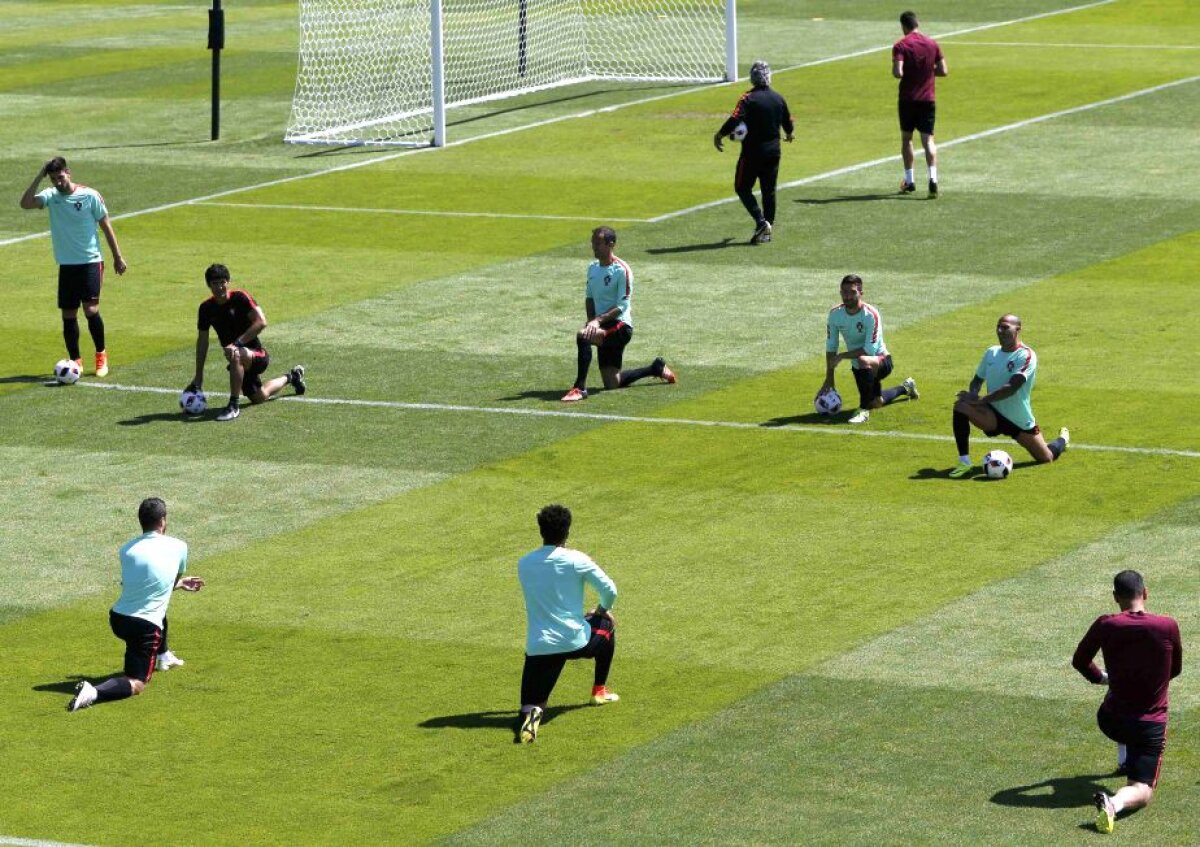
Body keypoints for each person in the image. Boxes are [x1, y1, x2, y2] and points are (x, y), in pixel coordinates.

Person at [67, 498, 205, 712]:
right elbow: (163, 589)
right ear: (163, 521)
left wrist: (178, 584)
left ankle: (163, 655)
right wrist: (179, 583)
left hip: (118, 619)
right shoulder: (179, 546)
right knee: (137, 682)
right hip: (144, 628)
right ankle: (93, 692)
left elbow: (144, 585)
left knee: (154, 608)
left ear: (141, 522)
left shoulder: (126, 550)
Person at [1072, 570, 1183, 834]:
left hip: (1111, 720)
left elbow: (1080, 661)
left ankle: (1124, 759)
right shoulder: (1167, 625)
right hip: (1149, 726)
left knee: (1121, 700)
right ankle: (1114, 802)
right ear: (1145, 593)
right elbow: (1175, 670)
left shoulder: (1106, 624)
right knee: (1142, 791)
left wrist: (1103, 679)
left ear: (1115, 597)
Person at [516, 504, 619, 743]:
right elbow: (610, 590)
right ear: (567, 532)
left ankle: (531, 722)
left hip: (539, 646)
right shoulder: (577, 560)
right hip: (575, 641)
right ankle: (599, 691)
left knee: (532, 704)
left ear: (541, 531)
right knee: (606, 622)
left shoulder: (524, 563)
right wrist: (601, 610)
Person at [19, 157, 127, 377]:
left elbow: (106, 225)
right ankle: (75, 361)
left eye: (60, 177)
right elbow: (25, 203)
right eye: (53, 179)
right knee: (68, 315)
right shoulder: (51, 196)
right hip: (66, 265)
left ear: (69, 172)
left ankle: (101, 355)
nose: (58, 182)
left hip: (90, 261)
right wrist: (40, 175)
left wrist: (117, 256)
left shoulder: (89, 195)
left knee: (90, 310)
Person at [561, 227, 676, 402]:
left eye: (598, 243)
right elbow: (590, 298)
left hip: (620, 326)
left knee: (583, 336)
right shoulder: (592, 269)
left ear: (611, 244)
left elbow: (621, 306)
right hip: (602, 325)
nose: (594, 246)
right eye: (593, 242)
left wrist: (597, 322)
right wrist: (592, 320)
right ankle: (655, 368)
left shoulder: (622, 270)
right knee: (612, 383)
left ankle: (579, 388)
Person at [949, 314, 1069, 478]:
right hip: (992, 414)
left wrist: (982, 400)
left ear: (1018, 329)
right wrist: (973, 394)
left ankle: (1062, 440)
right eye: (998, 327)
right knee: (961, 406)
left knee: (1046, 457)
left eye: (1005, 327)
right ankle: (964, 462)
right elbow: (977, 379)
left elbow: (1011, 387)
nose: (1000, 331)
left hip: (1018, 420)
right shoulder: (991, 352)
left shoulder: (1026, 355)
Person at [188, 263, 307, 421]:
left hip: (257, 355)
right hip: (238, 362)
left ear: (228, 282)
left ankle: (233, 405)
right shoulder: (206, 309)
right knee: (259, 397)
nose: (219, 287)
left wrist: (237, 343)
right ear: (208, 285)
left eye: (222, 282)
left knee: (236, 353)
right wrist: (198, 376)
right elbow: (202, 342)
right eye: (214, 284)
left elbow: (261, 322)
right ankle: (292, 377)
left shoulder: (240, 297)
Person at [817, 274, 917, 424]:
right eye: (844, 292)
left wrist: (843, 355)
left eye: (852, 292)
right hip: (860, 367)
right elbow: (831, 346)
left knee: (863, 360)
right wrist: (829, 378)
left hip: (881, 362)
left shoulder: (871, 315)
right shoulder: (835, 315)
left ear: (860, 293)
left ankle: (863, 411)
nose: (848, 296)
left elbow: (869, 350)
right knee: (876, 402)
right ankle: (906, 387)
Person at [713, 60, 794, 244]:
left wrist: (720, 134)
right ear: (769, 77)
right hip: (773, 152)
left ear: (752, 78)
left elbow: (735, 119)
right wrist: (789, 134)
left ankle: (760, 222)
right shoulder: (778, 98)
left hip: (751, 153)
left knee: (742, 187)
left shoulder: (747, 98)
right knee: (769, 191)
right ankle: (767, 231)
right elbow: (787, 122)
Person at [892, 11, 947, 198]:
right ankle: (933, 179)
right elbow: (943, 70)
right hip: (927, 99)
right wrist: (927, 71)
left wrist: (907, 69)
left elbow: (898, 72)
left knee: (907, 139)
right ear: (918, 23)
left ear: (903, 26)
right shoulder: (932, 43)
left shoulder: (901, 45)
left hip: (907, 99)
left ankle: (910, 181)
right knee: (928, 140)